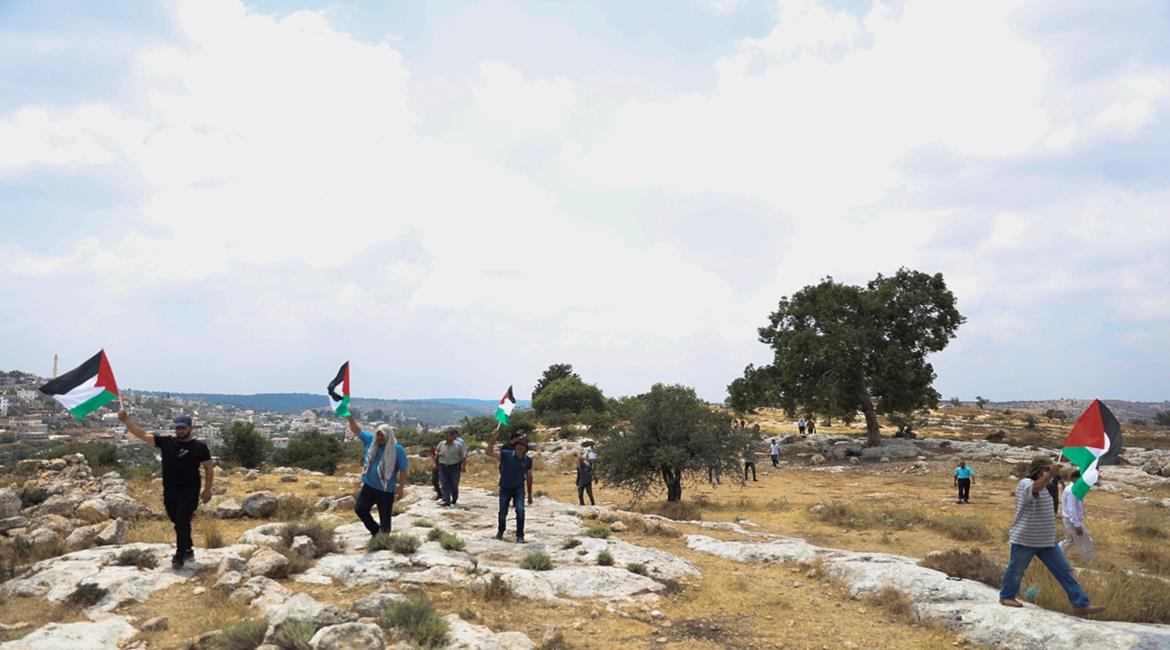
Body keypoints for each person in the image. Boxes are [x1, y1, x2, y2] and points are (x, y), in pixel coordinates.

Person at [998, 457, 1103, 616]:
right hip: (1025, 538)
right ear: (1039, 471)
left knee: (1065, 571)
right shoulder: (1025, 484)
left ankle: (1081, 604)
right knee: (1016, 569)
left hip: (1047, 541)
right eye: (1047, 470)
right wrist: (1049, 475)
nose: (1052, 473)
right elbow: (1034, 490)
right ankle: (1007, 596)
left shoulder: (1046, 487)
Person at [118, 411, 213, 569]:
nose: (179, 431)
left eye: (183, 428)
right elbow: (141, 434)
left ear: (190, 428)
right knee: (176, 521)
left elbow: (209, 468)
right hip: (170, 491)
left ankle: (180, 554)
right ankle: (188, 548)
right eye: (177, 428)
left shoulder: (199, 447)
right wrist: (126, 420)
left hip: (189, 491)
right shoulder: (167, 442)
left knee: (182, 520)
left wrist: (207, 490)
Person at [346, 416, 408, 537]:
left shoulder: (397, 449)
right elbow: (357, 430)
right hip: (369, 486)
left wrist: (401, 487)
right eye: (378, 435)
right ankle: (375, 530)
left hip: (386, 490)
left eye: (382, 436)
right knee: (360, 509)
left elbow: (403, 469)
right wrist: (349, 418)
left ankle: (383, 538)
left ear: (388, 435)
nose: (379, 438)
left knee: (385, 520)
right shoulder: (371, 441)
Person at [487, 428, 533, 543]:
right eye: (518, 444)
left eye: (523, 445)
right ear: (515, 446)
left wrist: (530, 494)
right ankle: (501, 531)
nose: (520, 446)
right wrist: (492, 440)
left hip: (519, 489)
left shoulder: (528, 460)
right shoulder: (506, 454)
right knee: (503, 512)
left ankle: (520, 536)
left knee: (520, 511)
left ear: (526, 449)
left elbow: (529, 477)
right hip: (505, 488)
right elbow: (489, 453)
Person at [1059, 470, 1095, 560]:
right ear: (1073, 478)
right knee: (1085, 540)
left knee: (1070, 540)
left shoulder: (1074, 489)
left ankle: (1058, 553)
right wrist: (1077, 525)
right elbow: (1071, 509)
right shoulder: (1072, 490)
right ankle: (1090, 560)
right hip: (1072, 520)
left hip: (1070, 519)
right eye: (1080, 479)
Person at [435, 428, 468, 506]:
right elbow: (436, 451)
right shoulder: (441, 444)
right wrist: (438, 454)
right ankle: (446, 500)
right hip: (443, 466)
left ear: (453, 436)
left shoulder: (458, 445)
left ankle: (454, 498)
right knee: (444, 483)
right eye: (445, 435)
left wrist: (464, 466)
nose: (446, 437)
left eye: (448, 435)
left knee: (454, 484)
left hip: (455, 467)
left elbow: (463, 456)